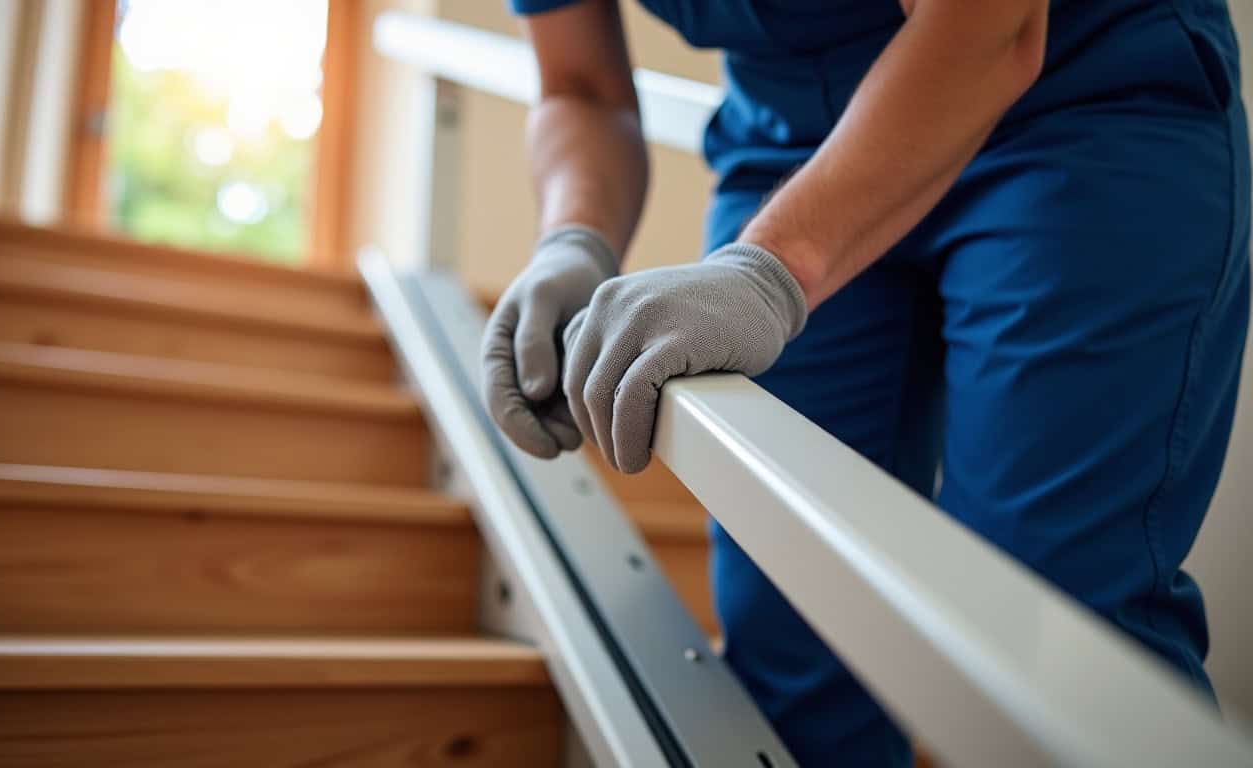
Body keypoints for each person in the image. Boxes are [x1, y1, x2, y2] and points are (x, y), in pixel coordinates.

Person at [480, 0, 1250, 763]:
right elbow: (578, 85)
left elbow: (991, 23)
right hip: (790, 145)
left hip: (1081, 104)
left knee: (1053, 637)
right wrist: (572, 239)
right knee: (790, 632)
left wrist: (767, 269)